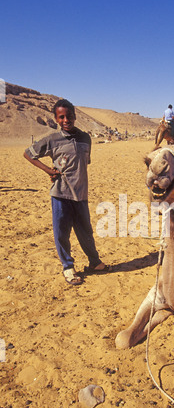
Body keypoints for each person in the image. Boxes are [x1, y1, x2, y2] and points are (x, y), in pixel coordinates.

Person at [23, 98, 110, 286]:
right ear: (56, 119)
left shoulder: (86, 138)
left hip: (81, 194)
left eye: (69, 116)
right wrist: (48, 170)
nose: (65, 120)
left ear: (75, 116)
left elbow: (83, 164)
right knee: (62, 232)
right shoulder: (52, 139)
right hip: (60, 193)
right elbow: (28, 154)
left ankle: (94, 262)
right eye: (61, 117)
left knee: (85, 231)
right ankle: (68, 267)